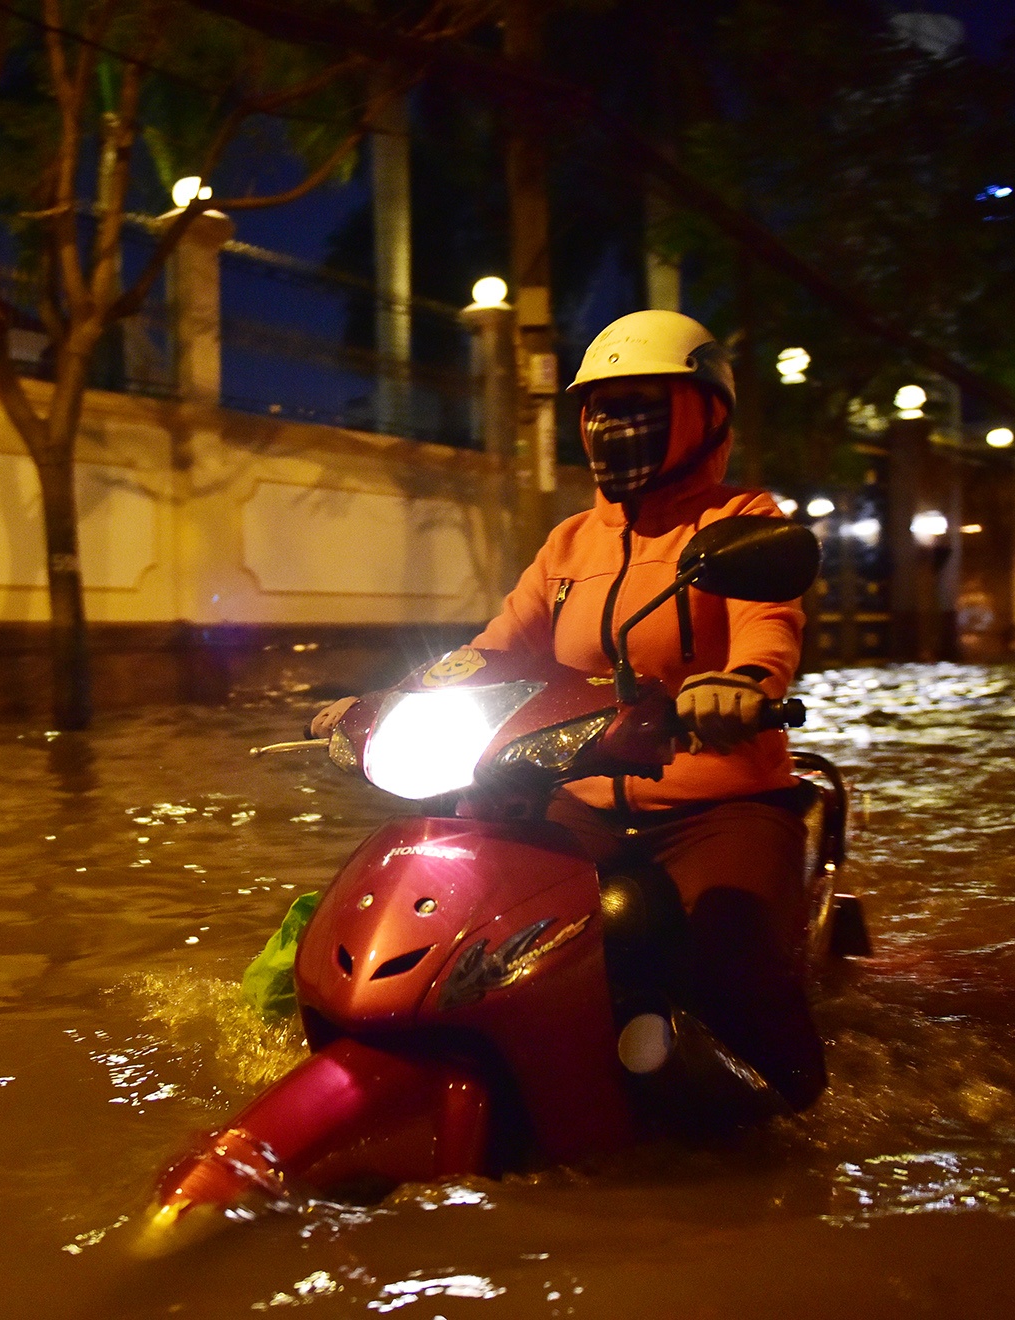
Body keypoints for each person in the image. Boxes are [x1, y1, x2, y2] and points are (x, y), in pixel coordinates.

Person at [311, 310, 825, 1110]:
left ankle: (793, 1113)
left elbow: (769, 627)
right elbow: (494, 650)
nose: (615, 427)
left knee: (728, 941)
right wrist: (387, 700)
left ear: (705, 416)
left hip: (717, 806)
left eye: (641, 407)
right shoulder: (570, 544)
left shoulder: (741, 522)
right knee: (467, 907)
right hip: (578, 795)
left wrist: (741, 685)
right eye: (601, 408)